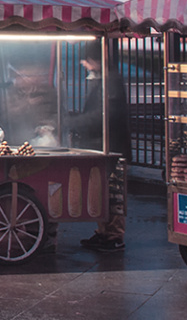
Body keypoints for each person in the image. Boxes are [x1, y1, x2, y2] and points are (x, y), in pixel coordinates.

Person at [73, 45, 129, 253]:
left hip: (113, 148)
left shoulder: (111, 82)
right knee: (103, 192)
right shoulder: (102, 80)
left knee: (114, 194)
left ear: (96, 60)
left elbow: (103, 115)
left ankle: (114, 236)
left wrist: (74, 122)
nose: (83, 64)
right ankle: (103, 232)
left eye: (85, 60)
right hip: (100, 146)